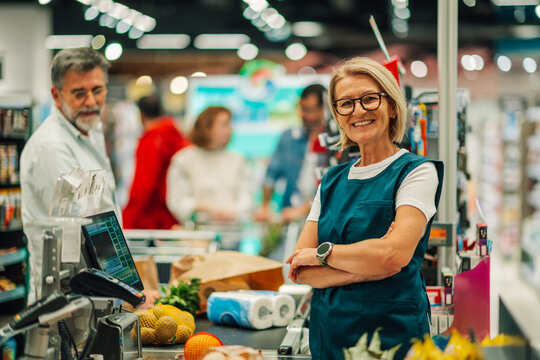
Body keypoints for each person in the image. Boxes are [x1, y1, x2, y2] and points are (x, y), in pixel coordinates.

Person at [286, 57, 444, 360]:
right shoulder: (331, 180)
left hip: (393, 339)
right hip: (330, 338)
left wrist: (325, 254)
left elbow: (392, 255)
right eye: (345, 103)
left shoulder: (416, 172)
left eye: (370, 99)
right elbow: (302, 270)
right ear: (337, 114)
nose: (358, 111)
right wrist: (374, 268)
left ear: (392, 106)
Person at [20, 48, 120, 303]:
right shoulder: (52, 148)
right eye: (79, 93)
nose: (90, 101)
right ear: (56, 95)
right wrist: (124, 290)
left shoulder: (90, 132)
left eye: (97, 91)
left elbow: (100, 212)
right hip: (64, 304)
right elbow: (80, 229)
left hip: (95, 292)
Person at [254, 84, 328, 224]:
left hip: (322, 217)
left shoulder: (334, 142)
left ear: (324, 110)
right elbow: (271, 174)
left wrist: (304, 209)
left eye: (309, 110)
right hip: (289, 214)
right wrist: (264, 206)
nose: (303, 114)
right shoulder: (289, 137)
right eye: (301, 108)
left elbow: (333, 190)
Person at [166, 106, 252, 225]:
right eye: (224, 125)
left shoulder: (238, 160)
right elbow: (176, 201)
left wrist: (232, 211)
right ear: (207, 127)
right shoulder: (183, 160)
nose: (229, 130)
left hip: (231, 233)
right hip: (195, 234)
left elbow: (246, 197)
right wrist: (203, 207)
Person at [122, 95, 191, 229]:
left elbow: (143, 187)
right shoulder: (177, 136)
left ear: (141, 115)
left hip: (155, 222)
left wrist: (127, 224)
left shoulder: (152, 140)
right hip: (176, 219)